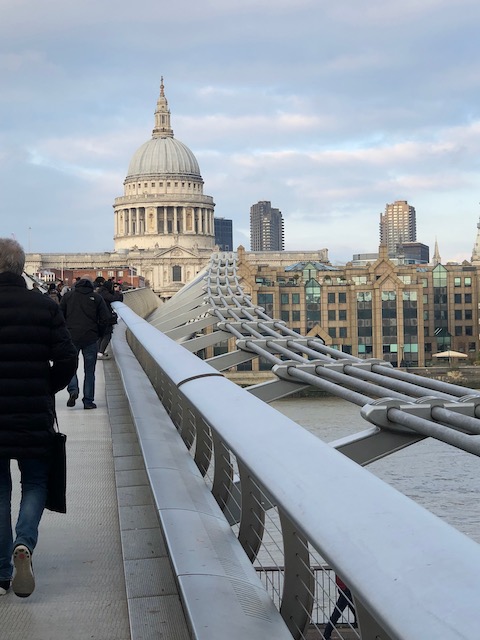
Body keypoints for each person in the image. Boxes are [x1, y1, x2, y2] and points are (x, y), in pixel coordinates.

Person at [0, 238, 77, 598]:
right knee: (35, 482)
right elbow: (67, 358)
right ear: (21, 267)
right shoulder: (44, 306)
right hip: (33, 409)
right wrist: (47, 387)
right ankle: (24, 543)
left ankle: (1, 574)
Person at [60, 276, 110, 410]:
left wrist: (65, 332)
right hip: (90, 337)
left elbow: (59, 316)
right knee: (89, 371)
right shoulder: (97, 298)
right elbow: (105, 318)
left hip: (71, 337)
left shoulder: (68, 297)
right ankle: (88, 401)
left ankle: (73, 390)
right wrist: (99, 333)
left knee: (71, 367)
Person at [323, 574, 357, 639]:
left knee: (354, 609)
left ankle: (358, 624)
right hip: (347, 588)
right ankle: (326, 635)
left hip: (344, 588)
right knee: (337, 613)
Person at [96, 280, 123, 358]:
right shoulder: (104, 293)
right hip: (105, 318)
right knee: (107, 335)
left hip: (99, 317)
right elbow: (115, 298)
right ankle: (100, 353)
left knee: (101, 335)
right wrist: (117, 292)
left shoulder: (100, 292)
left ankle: (99, 352)